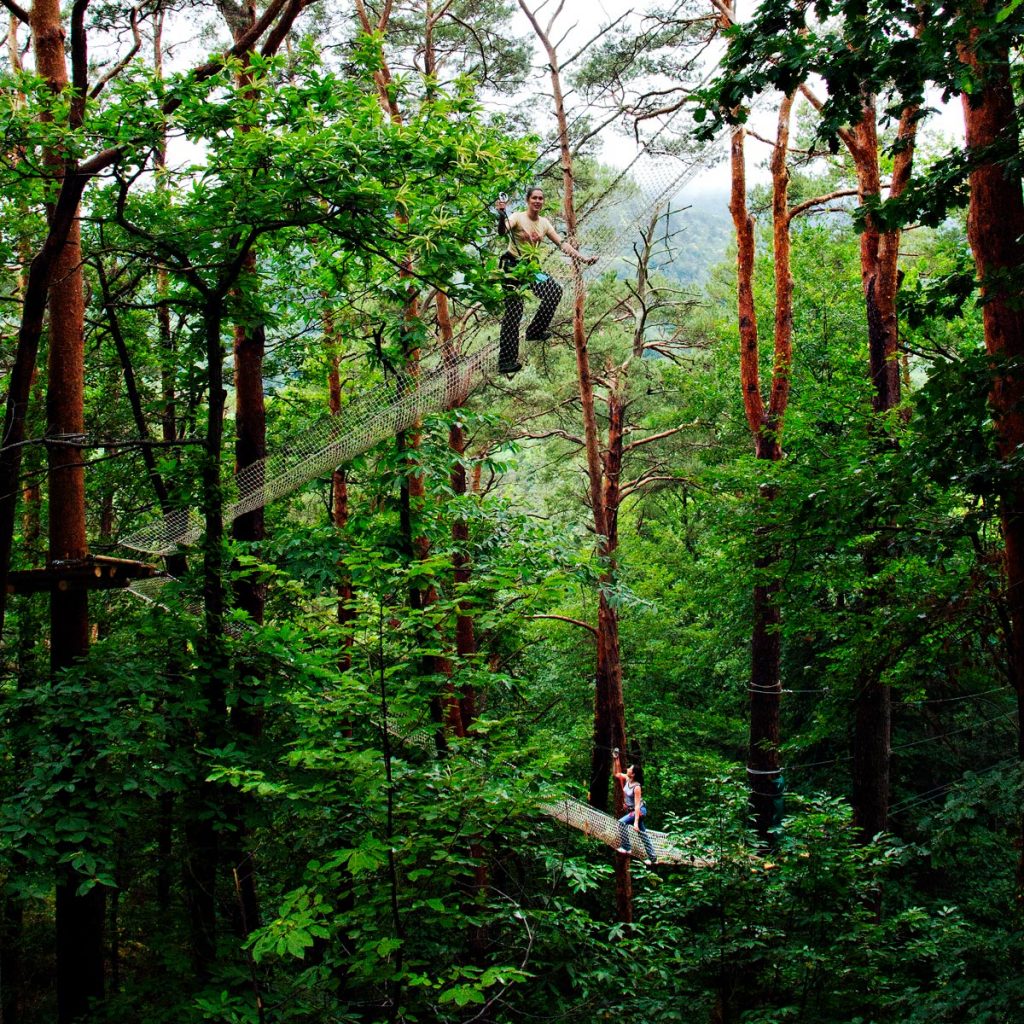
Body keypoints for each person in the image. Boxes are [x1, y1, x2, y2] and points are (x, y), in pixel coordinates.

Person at [495, 186, 597, 374]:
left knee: (554, 291)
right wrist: (501, 215)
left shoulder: (544, 223)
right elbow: (502, 232)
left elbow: (562, 244)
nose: (537, 201)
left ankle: (534, 331)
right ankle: (506, 361)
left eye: (541, 198)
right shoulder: (517, 217)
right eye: (534, 198)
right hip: (512, 268)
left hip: (532, 270)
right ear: (528, 200)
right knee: (514, 312)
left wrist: (582, 258)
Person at [612, 749, 657, 865]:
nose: (627, 769)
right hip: (633, 811)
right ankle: (652, 858)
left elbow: (637, 806)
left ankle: (627, 847)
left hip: (639, 811)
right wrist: (615, 759)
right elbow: (616, 774)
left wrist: (636, 822)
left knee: (621, 823)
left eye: (629, 769)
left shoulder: (637, 787)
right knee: (643, 834)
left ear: (633, 774)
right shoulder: (627, 779)